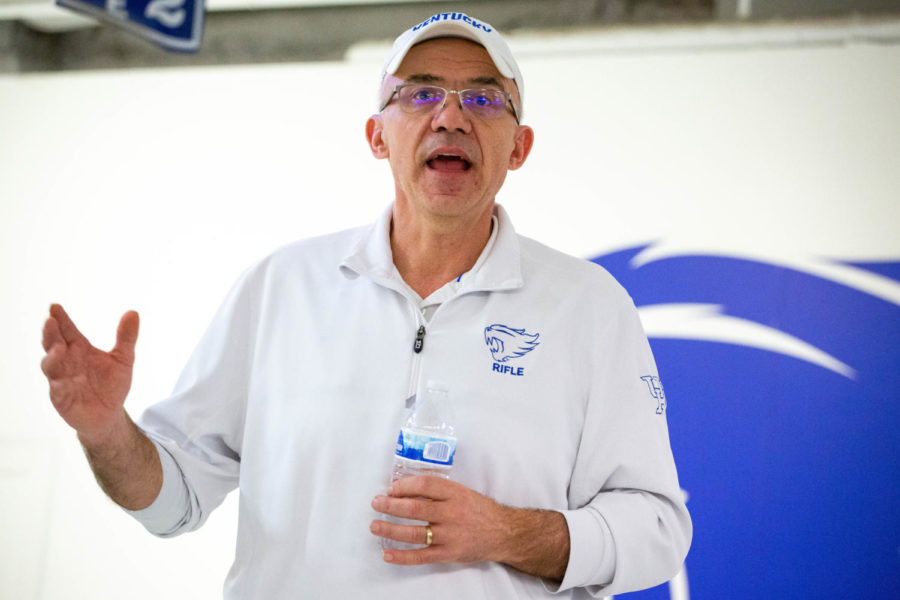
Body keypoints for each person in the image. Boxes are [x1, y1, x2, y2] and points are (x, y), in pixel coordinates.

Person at [40, 12, 691, 599]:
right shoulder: (281, 287)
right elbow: (172, 501)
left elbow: (658, 530)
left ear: (518, 147)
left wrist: (507, 532)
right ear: (378, 135)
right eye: (422, 93)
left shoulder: (590, 308)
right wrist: (105, 431)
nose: (451, 116)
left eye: (485, 98)